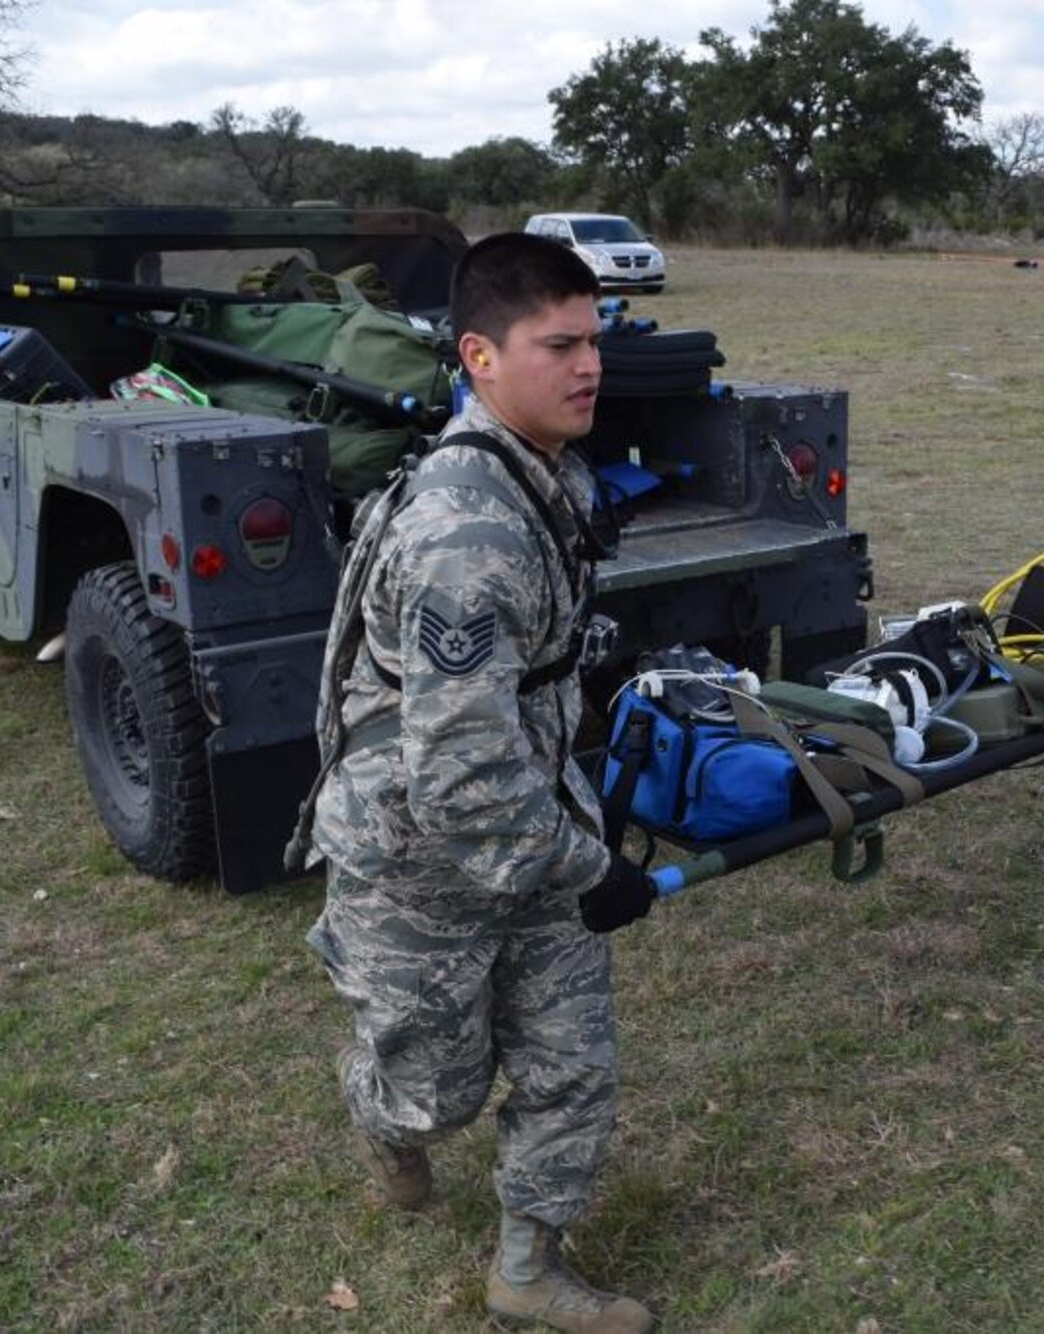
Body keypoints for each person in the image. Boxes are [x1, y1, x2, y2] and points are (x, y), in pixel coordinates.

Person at [299, 232, 657, 1333]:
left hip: (531, 821)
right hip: (420, 853)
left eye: (593, 340)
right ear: (479, 356)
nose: (587, 365)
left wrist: (569, 851)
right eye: (557, 345)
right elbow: (460, 779)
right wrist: (589, 865)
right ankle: (384, 1121)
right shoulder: (468, 531)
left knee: (571, 1062)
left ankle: (526, 1266)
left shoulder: (540, 469)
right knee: (433, 1086)